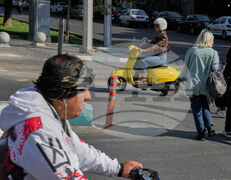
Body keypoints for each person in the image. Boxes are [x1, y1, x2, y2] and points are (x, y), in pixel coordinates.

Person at [0, 54, 142, 179]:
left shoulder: (49, 110)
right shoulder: (38, 131)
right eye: (83, 90)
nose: (88, 96)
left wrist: (118, 169)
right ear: (62, 95)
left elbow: (77, 149)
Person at [181, 29, 219, 140]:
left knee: (196, 108)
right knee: (205, 105)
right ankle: (210, 125)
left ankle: (201, 132)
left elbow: (185, 67)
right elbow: (215, 68)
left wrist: (180, 78)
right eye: (212, 39)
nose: (213, 42)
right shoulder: (213, 53)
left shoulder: (192, 51)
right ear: (209, 40)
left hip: (192, 85)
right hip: (206, 85)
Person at [135, 17, 169, 83]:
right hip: (157, 55)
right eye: (155, 26)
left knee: (143, 62)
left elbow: (156, 46)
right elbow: (151, 43)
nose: (155, 27)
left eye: (156, 26)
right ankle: (137, 75)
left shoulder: (164, 37)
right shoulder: (159, 35)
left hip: (161, 57)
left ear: (161, 26)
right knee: (138, 58)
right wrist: (140, 47)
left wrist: (146, 51)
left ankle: (143, 78)